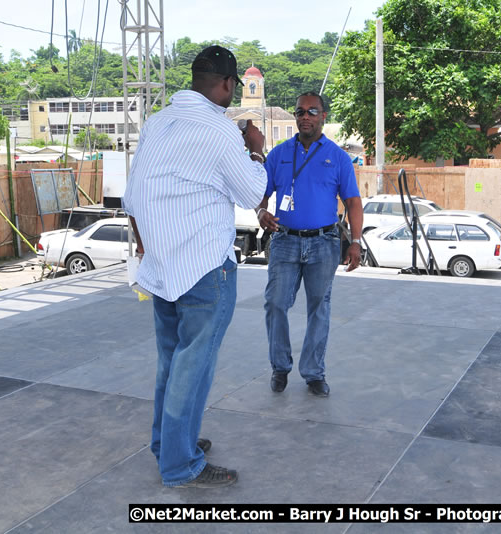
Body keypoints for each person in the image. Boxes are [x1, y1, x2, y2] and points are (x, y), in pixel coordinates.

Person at [123, 46, 267, 488]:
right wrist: (256, 151)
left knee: (172, 362)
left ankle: (170, 444)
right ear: (227, 85)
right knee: (194, 367)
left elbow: (134, 196)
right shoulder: (220, 131)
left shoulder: (157, 123)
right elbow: (252, 195)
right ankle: (180, 465)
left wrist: (148, 250)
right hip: (204, 269)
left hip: (162, 267)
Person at [255, 92, 363, 397]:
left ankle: (314, 372)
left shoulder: (338, 157)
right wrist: (262, 211)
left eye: (311, 112)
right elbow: (260, 193)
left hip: (324, 243)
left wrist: (355, 242)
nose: (305, 117)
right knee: (275, 304)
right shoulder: (278, 154)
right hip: (285, 241)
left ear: (323, 116)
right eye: (300, 111)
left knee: (319, 308)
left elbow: (353, 201)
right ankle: (280, 367)